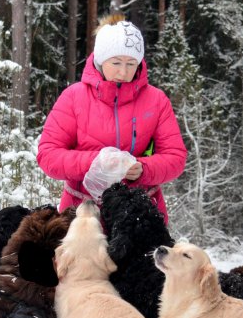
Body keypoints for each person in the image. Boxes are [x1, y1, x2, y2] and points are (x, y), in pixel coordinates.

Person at [37, 14, 187, 223]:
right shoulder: (73, 97)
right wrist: (94, 162)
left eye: (131, 63)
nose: (123, 72)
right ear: (100, 59)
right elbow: (48, 156)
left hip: (139, 216)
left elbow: (175, 158)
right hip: (82, 216)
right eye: (116, 62)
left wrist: (143, 168)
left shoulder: (157, 100)